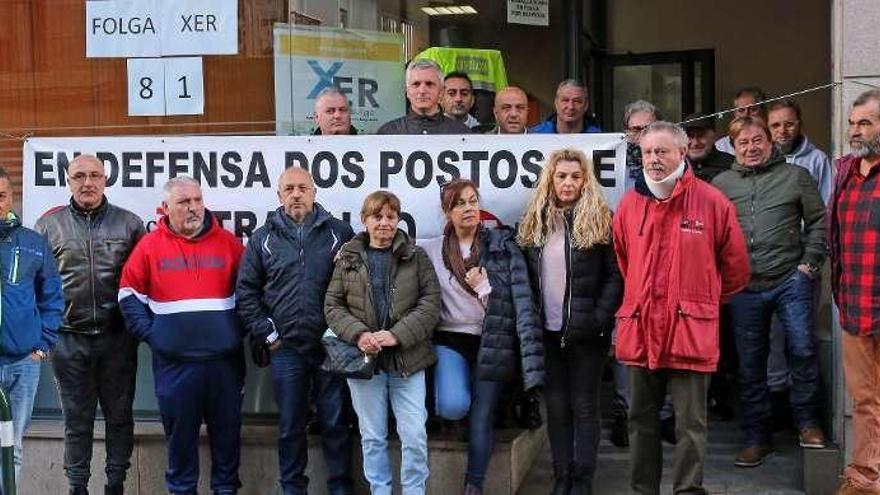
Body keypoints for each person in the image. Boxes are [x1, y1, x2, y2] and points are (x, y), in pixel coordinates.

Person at [613, 122, 750, 495]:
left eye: (661, 152)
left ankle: (688, 490)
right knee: (641, 420)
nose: (653, 160)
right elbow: (626, 262)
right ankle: (644, 490)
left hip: (691, 331)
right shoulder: (629, 204)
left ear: (682, 152)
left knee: (690, 424)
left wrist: (700, 303)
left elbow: (736, 270)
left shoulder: (712, 202)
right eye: (647, 153)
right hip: (641, 329)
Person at [118, 176, 245, 495]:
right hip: (175, 367)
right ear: (165, 208)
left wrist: (240, 331)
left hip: (224, 365)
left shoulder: (228, 244)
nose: (193, 208)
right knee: (180, 449)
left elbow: (252, 293)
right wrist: (154, 335)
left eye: (197, 200)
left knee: (228, 444)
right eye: (184, 202)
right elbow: (128, 296)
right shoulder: (149, 246)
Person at [712, 116, 827, 467]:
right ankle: (757, 437)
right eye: (743, 142)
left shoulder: (796, 176)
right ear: (733, 147)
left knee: (803, 349)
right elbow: (712, 234)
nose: (751, 148)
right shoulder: (720, 184)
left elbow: (820, 219)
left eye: (757, 140)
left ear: (770, 141)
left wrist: (810, 263)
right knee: (750, 365)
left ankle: (808, 423)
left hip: (789, 279)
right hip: (745, 287)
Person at [420, 179, 544, 495]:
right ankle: (453, 415)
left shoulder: (499, 246)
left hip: (492, 340)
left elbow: (514, 303)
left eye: (473, 201)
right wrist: (348, 252)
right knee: (453, 405)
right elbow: (384, 243)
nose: (469, 208)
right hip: (450, 339)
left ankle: (473, 484)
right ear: (447, 211)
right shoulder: (430, 250)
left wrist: (486, 288)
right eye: (459, 203)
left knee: (483, 413)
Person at [236, 167, 354, 495]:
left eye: (303, 187)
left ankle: (340, 488)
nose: (296, 194)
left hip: (330, 345)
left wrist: (343, 330)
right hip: (285, 348)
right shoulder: (263, 238)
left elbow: (357, 287)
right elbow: (246, 291)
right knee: (290, 426)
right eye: (289, 189)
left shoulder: (340, 233)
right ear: (279, 196)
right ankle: (292, 488)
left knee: (334, 423)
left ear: (315, 192)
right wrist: (266, 333)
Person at [35, 154, 145, 495]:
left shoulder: (129, 224)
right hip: (69, 340)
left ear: (106, 179)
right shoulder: (48, 226)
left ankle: (116, 485)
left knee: (119, 418)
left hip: (117, 339)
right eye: (79, 176)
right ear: (68, 181)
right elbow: (37, 285)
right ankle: (77, 487)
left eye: (95, 175)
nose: (87, 182)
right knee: (76, 422)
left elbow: (143, 282)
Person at [519, 149, 623, 494]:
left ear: (585, 180)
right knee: (558, 409)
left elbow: (616, 277)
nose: (567, 183)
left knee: (584, 408)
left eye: (575, 177)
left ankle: (583, 481)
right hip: (547, 333)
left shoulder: (600, 218)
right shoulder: (534, 219)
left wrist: (598, 318)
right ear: (550, 178)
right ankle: (561, 477)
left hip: (587, 334)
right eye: (561, 176)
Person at [324, 191, 441, 495]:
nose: (384, 223)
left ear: (398, 220)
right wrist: (359, 335)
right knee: (372, 437)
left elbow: (430, 304)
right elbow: (333, 306)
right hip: (364, 362)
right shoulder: (347, 258)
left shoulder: (416, 256)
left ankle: (414, 491)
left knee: (414, 435)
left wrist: (396, 335)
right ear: (364, 221)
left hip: (408, 360)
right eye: (377, 217)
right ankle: (380, 490)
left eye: (391, 216)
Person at [829, 89, 880, 495]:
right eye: (852, 122)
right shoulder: (846, 171)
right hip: (856, 306)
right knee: (865, 402)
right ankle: (865, 480)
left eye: (865, 122)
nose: (855, 131)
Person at [0, 167, 64, 486]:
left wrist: (41, 347)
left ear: (11, 198)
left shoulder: (33, 243)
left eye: (1, 195)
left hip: (23, 364)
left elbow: (52, 296)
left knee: (13, 448)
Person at [377, 59, 471, 135]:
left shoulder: (461, 133)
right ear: (407, 91)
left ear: (441, 91)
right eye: (416, 84)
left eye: (429, 84)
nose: (422, 91)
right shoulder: (388, 133)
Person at [767, 99, 832, 203]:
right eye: (775, 125)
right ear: (768, 128)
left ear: (799, 125)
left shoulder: (818, 159)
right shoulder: (761, 159)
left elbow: (827, 202)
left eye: (789, 124)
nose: (782, 131)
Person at [530, 80, 602, 134]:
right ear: (556, 103)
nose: (571, 106)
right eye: (565, 100)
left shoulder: (600, 139)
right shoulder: (534, 136)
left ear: (586, 106)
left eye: (577, 101)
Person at [682, 113, 734, 182]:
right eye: (690, 136)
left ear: (714, 137)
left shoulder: (732, 165)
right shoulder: (674, 168)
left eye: (701, 135)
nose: (695, 143)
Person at [716, 87, 767, 154]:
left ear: (763, 111)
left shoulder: (774, 140)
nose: (746, 114)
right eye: (741, 110)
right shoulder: (721, 146)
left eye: (753, 109)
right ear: (735, 113)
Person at [623, 100, 660, 189]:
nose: (643, 134)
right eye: (636, 129)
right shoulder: (616, 163)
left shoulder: (674, 162)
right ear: (626, 132)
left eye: (649, 128)